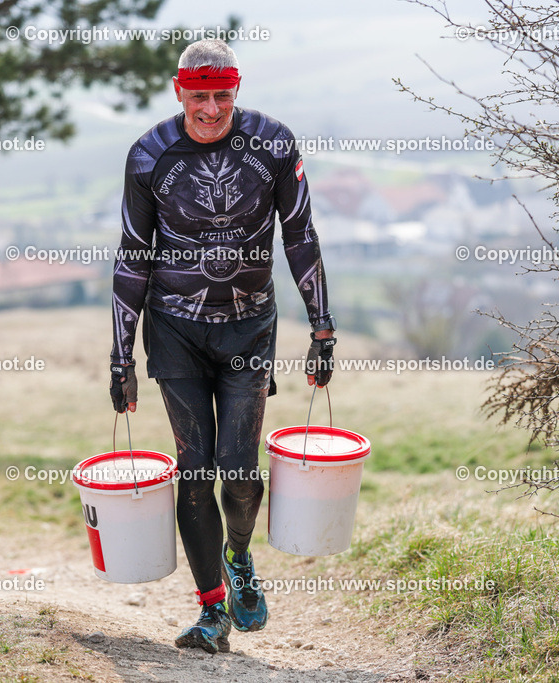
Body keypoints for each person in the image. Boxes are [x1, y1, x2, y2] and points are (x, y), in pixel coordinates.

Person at [108, 39, 336, 654]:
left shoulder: (272, 145)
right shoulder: (150, 154)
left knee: (238, 472)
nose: (212, 108)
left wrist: (322, 329)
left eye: (223, 95)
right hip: (175, 330)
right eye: (200, 95)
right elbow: (133, 256)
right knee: (195, 471)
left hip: (247, 328)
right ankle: (211, 610)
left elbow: (300, 236)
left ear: (237, 90)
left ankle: (238, 557)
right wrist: (121, 356)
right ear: (178, 90)